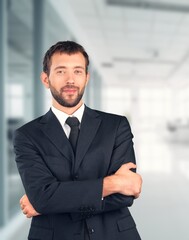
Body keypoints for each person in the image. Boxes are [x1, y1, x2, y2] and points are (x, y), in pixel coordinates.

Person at [13, 41, 142, 240]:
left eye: (78, 71)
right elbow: (42, 197)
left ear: (87, 78)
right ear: (45, 79)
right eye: (61, 71)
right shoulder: (27, 135)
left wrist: (50, 203)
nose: (70, 80)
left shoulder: (116, 126)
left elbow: (125, 195)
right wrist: (112, 184)